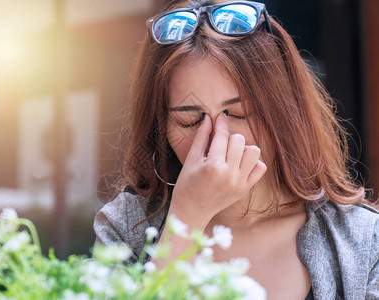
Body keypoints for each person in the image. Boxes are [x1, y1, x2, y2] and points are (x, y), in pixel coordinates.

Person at [93, 0, 379, 299]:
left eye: (239, 113)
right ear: (160, 126)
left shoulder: (363, 241)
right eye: (189, 121)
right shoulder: (124, 228)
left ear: (283, 110)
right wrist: (186, 218)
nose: (219, 138)